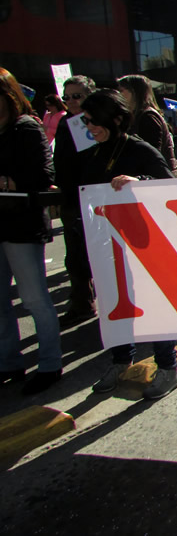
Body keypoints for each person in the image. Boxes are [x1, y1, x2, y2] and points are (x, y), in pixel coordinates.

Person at [80, 89, 177, 399]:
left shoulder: (141, 150)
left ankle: (169, 367)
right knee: (114, 303)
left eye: (94, 121)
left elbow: (172, 188)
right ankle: (121, 360)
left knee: (152, 305)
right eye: (85, 121)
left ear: (116, 119)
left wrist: (141, 183)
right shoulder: (94, 152)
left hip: (145, 246)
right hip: (108, 244)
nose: (89, 127)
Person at [0, 68, 63, 395]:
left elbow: (43, 174)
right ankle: (9, 362)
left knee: (35, 298)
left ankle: (50, 363)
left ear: (8, 96)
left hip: (22, 225)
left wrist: (11, 181)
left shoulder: (26, 127)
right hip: (3, 224)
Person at [54, 75, 98, 326]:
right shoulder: (64, 123)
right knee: (74, 257)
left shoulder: (94, 123)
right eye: (66, 96)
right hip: (70, 197)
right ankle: (81, 302)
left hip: (91, 196)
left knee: (94, 255)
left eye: (76, 96)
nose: (71, 101)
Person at [116, 75, 177, 172]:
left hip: (155, 179)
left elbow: (151, 154)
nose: (118, 95)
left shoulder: (148, 117)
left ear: (134, 92)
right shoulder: (134, 115)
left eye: (121, 91)